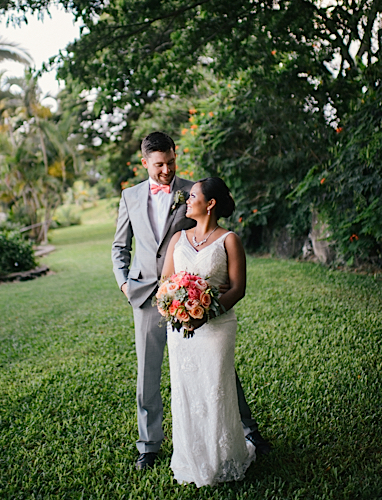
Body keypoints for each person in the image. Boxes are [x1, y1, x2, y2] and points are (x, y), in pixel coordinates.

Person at [111, 132, 270, 471]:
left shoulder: (192, 191)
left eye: (171, 162)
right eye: (159, 165)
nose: (166, 170)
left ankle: (248, 430)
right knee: (147, 374)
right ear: (145, 164)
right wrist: (124, 283)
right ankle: (149, 445)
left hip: (191, 293)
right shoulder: (130, 196)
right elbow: (119, 246)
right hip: (145, 296)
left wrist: (200, 296)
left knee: (217, 367)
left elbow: (208, 233)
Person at [161, 177, 256, 487]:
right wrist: (178, 311)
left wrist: (206, 314)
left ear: (210, 204)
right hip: (180, 331)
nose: (187, 201)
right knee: (186, 390)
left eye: (193, 197)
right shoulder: (178, 238)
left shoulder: (229, 240)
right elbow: (165, 285)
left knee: (215, 389)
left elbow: (238, 289)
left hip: (216, 329)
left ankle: (223, 458)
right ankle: (191, 457)